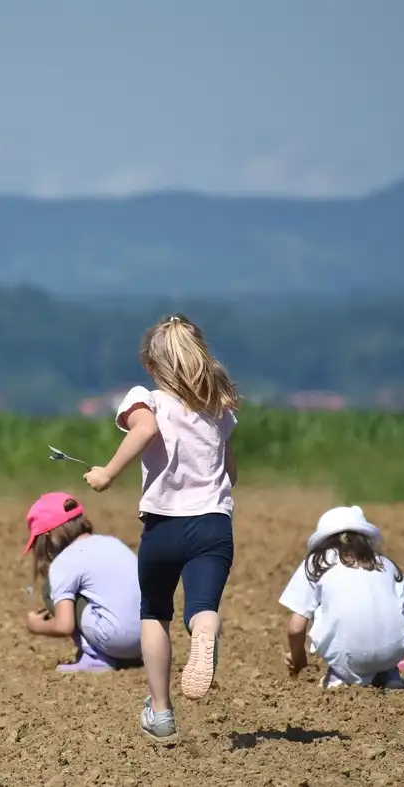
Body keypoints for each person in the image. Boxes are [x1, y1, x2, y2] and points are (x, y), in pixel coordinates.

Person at [82, 313, 239, 746]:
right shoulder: (219, 409)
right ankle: (204, 634)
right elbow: (231, 471)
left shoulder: (146, 399)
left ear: (152, 367)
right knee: (202, 605)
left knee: (154, 611)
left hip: (163, 527)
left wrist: (108, 474)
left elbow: (146, 429)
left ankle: (161, 712)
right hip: (213, 525)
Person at [279, 505, 404, 689]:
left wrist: (298, 656)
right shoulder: (386, 564)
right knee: (384, 652)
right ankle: (389, 674)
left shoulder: (317, 563)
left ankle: (340, 678)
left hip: (347, 657)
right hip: (391, 655)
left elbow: (295, 628)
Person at [22, 492, 143, 673]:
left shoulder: (64, 562)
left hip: (117, 640)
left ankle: (96, 659)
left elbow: (65, 625)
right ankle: (122, 656)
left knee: (50, 588)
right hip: (148, 641)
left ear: (47, 536)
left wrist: (35, 625)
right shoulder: (113, 543)